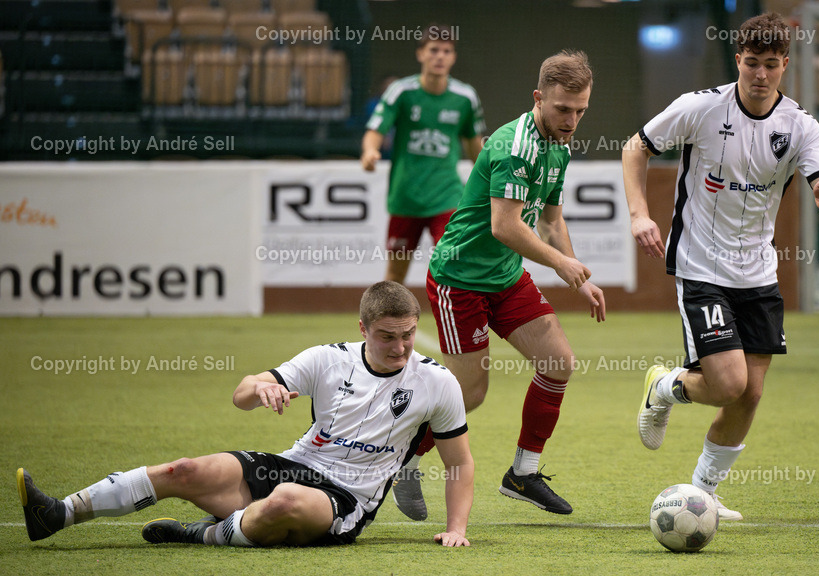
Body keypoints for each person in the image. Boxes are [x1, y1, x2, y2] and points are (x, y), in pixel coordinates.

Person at [17, 281, 475, 547]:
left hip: (347, 500)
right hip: (296, 465)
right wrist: (264, 387)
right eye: (387, 336)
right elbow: (240, 394)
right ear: (362, 329)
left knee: (285, 501)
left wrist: (455, 530)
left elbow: (459, 462)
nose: (400, 347)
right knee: (184, 469)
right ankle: (59, 513)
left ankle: (202, 535)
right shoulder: (327, 358)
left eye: (408, 335)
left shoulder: (436, 382)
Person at [624, 13, 819, 521]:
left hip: (758, 273)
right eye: (751, 63)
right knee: (727, 384)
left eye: (771, 64)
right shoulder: (700, 108)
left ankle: (705, 492)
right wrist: (639, 214)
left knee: (751, 393)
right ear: (739, 60)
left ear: (785, 65)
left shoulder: (800, 125)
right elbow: (636, 146)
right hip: (701, 266)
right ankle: (663, 386)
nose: (760, 74)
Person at [390, 49, 605, 520]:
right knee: (469, 394)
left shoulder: (559, 146)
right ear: (538, 98)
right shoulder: (513, 144)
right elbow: (505, 226)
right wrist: (561, 267)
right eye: (563, 109)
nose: (572, 121)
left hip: (505, 276)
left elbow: (550, 217)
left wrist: (576, 274)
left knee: (558, 363)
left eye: (581, 110)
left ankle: (522, 475)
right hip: (459, 278)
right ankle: (403, 459)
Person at [361, 25, 486, 285]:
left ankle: (456, 324)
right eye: (434, 50)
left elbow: (475, 146)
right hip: (406, 198)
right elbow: (376, 129)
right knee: (395, 276)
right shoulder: (401, 92)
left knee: (453, 266)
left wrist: (490, 179)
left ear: (453, 57)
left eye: (446, 51)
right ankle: (389, 326)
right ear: (420, 54)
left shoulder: (465, 97)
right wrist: (370, 151)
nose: (440, 56)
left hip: (447, 198)